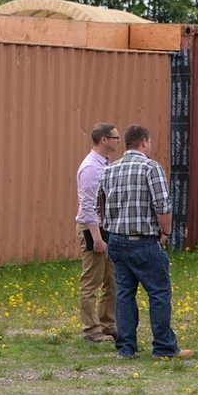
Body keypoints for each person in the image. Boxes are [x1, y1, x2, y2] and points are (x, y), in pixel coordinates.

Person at [96, 124, 193, 360]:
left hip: (117, 240)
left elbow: (100, 205)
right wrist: (166, 233)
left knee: (124, 294)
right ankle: (164, 347)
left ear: (127, 143)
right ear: (145, 142)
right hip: (143, 240)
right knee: (159, 293)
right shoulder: (151, 168)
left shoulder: (109, 170)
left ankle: (126, 349)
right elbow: (163, 205)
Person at [75, 122, 120, 343]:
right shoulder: (92, 167)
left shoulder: (105, 163)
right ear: (104, 140)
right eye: (115, 138)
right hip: (93, 228)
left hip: (105, 227)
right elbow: (88, 205)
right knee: (91, 279)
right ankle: (90, 328)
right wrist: (97, 237)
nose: (118, 141)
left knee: (111, 279)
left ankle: (107, 323)